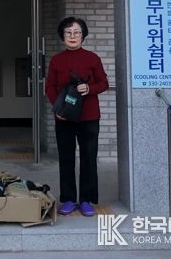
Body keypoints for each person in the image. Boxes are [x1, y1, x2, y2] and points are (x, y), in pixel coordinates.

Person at [45, 16, 109, 217]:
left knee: (89, 158)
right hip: (64, 118)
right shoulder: (56, 60)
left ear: (83, 35)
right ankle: (69, 199)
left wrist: (89, 88)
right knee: (66, 158)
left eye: (76, 32)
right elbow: (49, 87)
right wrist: (58, 109)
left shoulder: (92, 58)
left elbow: (104, 83)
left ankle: (86, 200)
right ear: (62, 36)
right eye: (68, 33)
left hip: (89, 117)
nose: (72, 36)